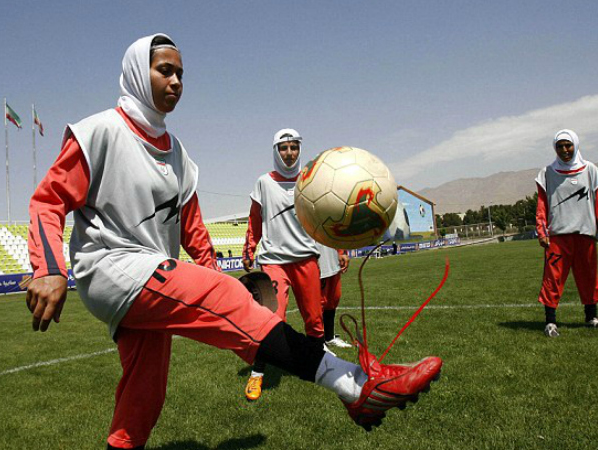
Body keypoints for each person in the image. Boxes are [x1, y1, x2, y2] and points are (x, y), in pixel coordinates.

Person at [24, 34, 442, 448]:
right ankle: (357, 385)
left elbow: (192, 229)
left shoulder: (179, 156)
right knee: (221, 302)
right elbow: (48, 200)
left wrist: (210, 275)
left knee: (144, 396)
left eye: (181, 74)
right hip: (111, 267)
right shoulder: (99, 132)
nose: (175, 82)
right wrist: (48, 269)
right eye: (164, 71)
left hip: (149, 278)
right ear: (136, 72)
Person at [241, 128, 328, 401]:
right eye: (283, 148)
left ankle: (316, 366)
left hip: (306, 259)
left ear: (299, 150)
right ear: (275, 151)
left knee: (314, 319)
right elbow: (255, 220)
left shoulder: (309, 181)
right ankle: (257, 374)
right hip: (274, 261)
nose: (289, 153)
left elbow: (326, 216)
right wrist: (249, 248)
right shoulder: (264, 183)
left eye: (293, 147)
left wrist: (337, 249)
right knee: (270, 318)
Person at [535, 129, 598, 338]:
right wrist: (542, 231)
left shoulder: (590, 170)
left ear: (576, 145)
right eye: (559, 146)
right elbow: (542, 205)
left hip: (585, 234)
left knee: (588, 277)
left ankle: (592, 317)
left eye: (568, 145)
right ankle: (550, 322)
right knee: (553, 279)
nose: (564, 150)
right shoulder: (547, 173)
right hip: (558, 237)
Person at [316, 242, 353, 349]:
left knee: (333, 299)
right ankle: (318, 340)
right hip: (317, 258)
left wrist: (342, 252)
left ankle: (329, 337)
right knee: (319, 301)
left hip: (332, 259)